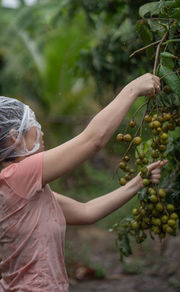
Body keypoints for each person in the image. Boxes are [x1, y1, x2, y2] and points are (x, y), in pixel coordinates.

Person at [0, 73, 167, 291]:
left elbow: (87, 211)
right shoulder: (16, 177)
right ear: (14, 136)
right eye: (33, 123)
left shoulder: (24, 190)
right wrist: (132, 89)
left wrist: (137, 183)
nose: (41, 132)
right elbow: (93, 140)